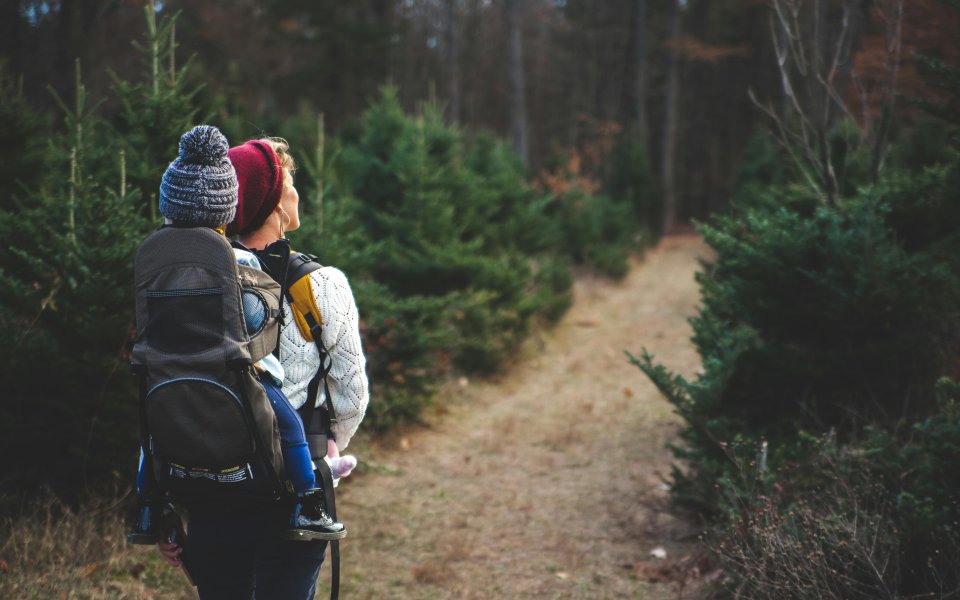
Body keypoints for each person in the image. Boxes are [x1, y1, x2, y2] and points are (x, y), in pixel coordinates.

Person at [158, 132, 369, 600]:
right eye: (290, 181)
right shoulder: (321, 284)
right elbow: (352, 395)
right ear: (274, 201)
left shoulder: (195, 279)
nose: (296, 191)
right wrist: (328, 449)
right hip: (292, 494)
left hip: (210, 485)